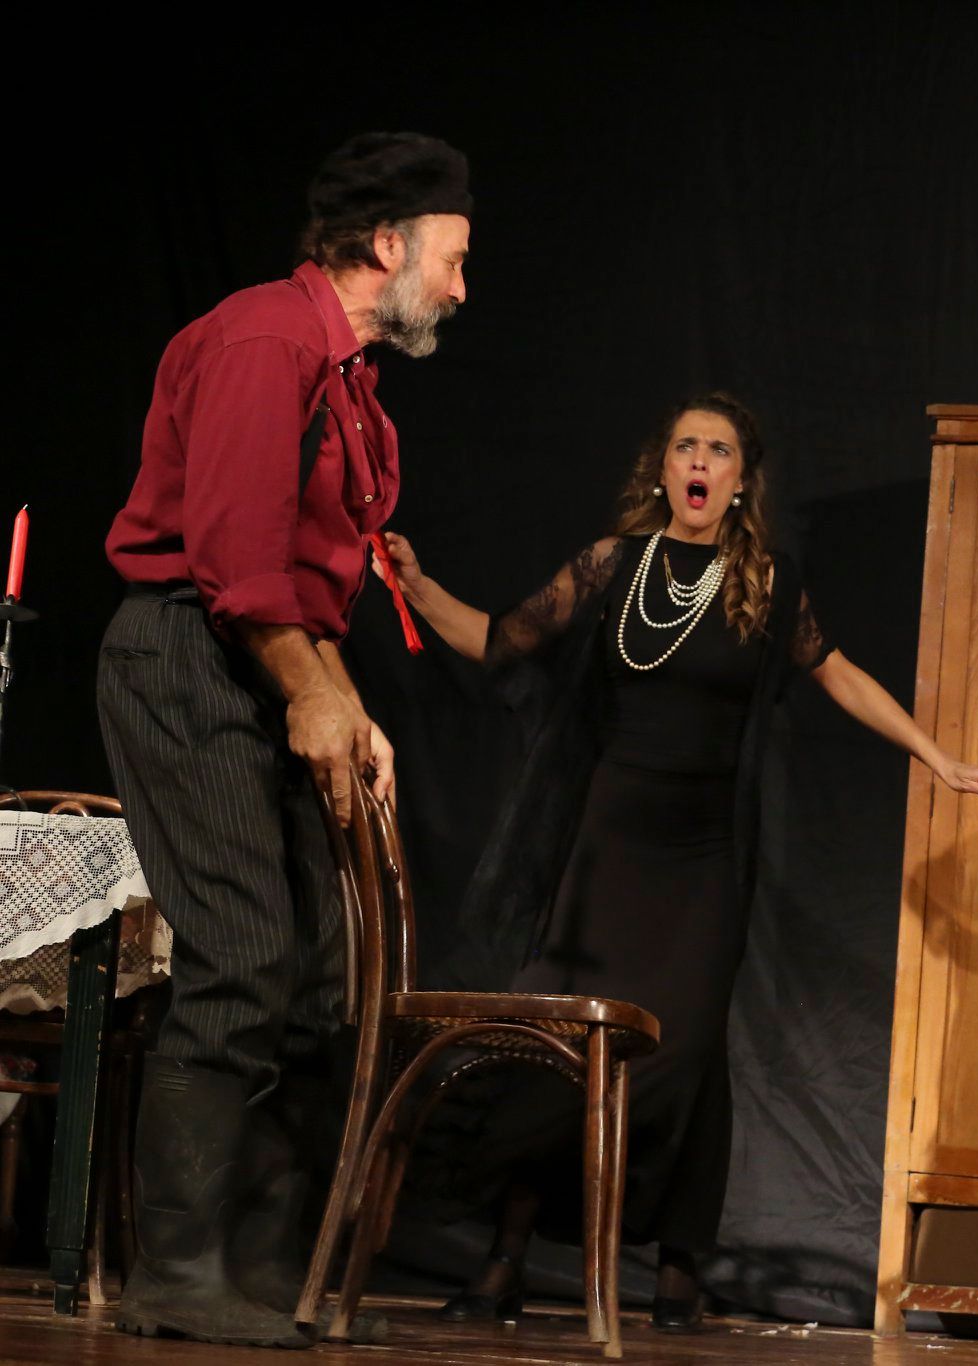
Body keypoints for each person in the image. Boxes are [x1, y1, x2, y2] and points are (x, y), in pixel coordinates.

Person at [377, 391, 978, 1332]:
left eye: (719, 451)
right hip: (606, 848)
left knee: (682, 1056)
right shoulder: (614, 565)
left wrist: (938, 757)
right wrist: (417, 584)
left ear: (740, 480)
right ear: (664, 466)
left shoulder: (766, 584)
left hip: (704, 858)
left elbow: (838, 674)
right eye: (687, 446)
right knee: (564, 1051)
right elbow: (500, 640)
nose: (700, 463)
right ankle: (506, 1256)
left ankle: (678, 1265)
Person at [98, 132, 472, 1347]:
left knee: (317, 973)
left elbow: (311, 590)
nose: (461, 289)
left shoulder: (350, 384)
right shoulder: (266, 339)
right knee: (243, 955)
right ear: (388, 245)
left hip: (267, 661)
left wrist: (345, 705)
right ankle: (177, 1270)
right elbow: (238, 560)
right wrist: (315, 697)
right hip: (188, 657)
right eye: (452, 259)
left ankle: (259, 1271)